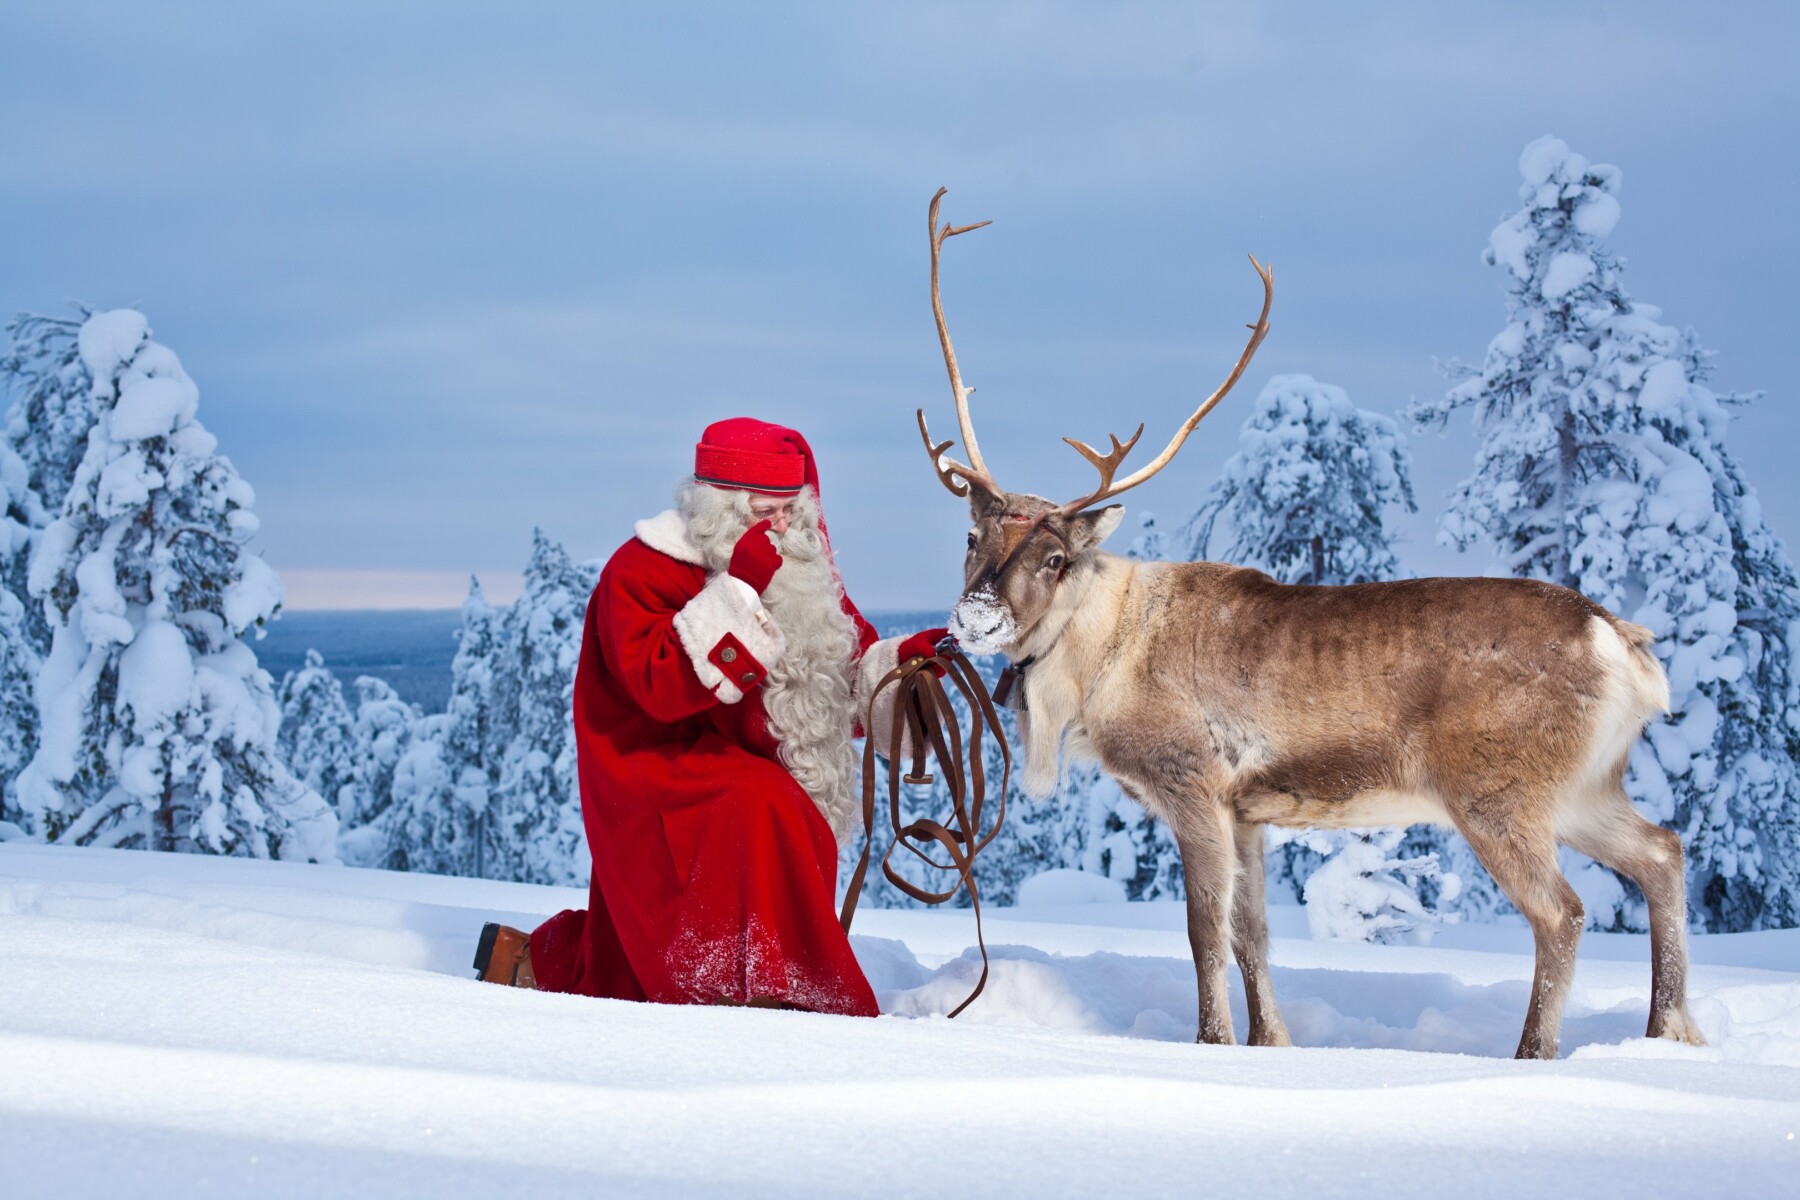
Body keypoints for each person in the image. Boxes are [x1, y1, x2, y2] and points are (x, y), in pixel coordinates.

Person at [473, 417, 945, 1015]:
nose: (781, 527)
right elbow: (658, 685)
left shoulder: (801, 573)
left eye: (790, 510)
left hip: (733, 755)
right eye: (764, 511)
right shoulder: (642, 569)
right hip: (650, 761)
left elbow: (825, 686)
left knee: (768, 805)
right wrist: (740, 591)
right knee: (758, 806)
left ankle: (562, 964)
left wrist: (896, 675)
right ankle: (754, 992)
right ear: (716, 505)